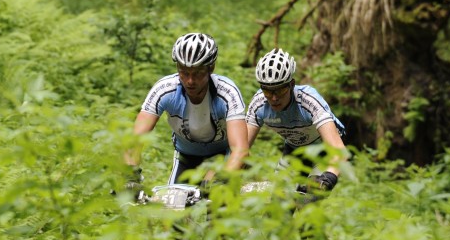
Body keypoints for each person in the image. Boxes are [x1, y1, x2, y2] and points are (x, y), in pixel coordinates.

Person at [124, 33, 249, 190]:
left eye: (197, 73)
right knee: (174, 211)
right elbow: (135, 139)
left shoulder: (227, 92)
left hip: (222, 155)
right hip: (186, 156)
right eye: (184, 72)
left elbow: (240, 150)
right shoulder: (165, 90)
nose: (190, 80)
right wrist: (130, 176)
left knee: (214, 197)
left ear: (211, 68)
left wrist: (222, 179)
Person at [246, 48, 347, 192]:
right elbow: (240, 149)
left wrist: (328, 178)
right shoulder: (259, 104)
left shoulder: (309, 101)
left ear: (291, 84)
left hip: (323, 151)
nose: (274, 98)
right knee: (277, 206)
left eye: (280, 90)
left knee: (310, 198)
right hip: (294, 151)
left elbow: (339, 151)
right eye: (267, 91)